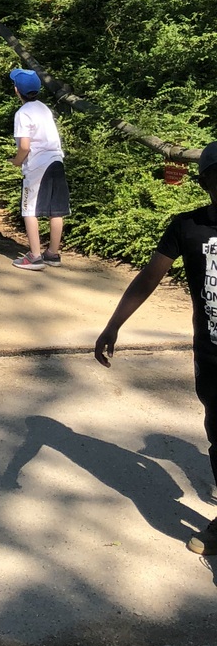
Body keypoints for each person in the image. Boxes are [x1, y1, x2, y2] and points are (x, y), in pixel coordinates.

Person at [95, 140, 217, 557]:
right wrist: (113, 325)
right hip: (212, 356)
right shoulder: (187, 227)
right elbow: (149, 278)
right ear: (205, 182)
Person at [7, 67, 70, 269]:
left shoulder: (22, 113)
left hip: (37, 164)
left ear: (16, 90)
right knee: (55, 210)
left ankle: (34, 256)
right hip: (56, 160)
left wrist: (17, 161)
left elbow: (25, 146)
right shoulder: (44, 109)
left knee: (29, 209)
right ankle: (52, 253)